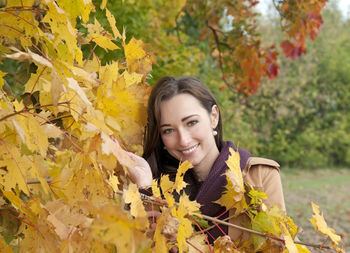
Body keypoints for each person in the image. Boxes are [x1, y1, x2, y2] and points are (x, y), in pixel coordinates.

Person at [124, 76, 286, 244]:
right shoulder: (159, 188)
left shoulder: (260, 176)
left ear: (213, 117)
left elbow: (276, 247)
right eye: (168, 130)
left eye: (191, 122)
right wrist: (145, 189)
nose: (184, 140)